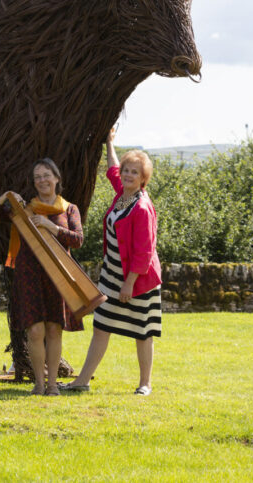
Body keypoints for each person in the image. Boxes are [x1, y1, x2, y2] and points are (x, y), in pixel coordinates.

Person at [63, 128, 161, 395]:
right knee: (101, 325)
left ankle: (145, 384)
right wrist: (108, 142)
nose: (127, 175)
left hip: (138, 280)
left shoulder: (141, 207)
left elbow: (144, 251)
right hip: (111, 275)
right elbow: (112, 169)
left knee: (143, 331)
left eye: (134, 172)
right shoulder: (122, 194)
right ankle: (82, 381)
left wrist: (129, 284)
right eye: (127, 170)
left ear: (143, 179)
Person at [0, 158, 84, 396]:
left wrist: (53, 227)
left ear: (57, 178)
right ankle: (38, 384)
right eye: (38, 177)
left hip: (58, 276)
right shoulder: (24, 209)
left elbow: (78, 240)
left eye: (46, 175)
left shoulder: (69, 209)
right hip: (28, 275)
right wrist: (6, 195)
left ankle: (52, 385)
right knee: (35, 332)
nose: (42, 180)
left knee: (53, 330)